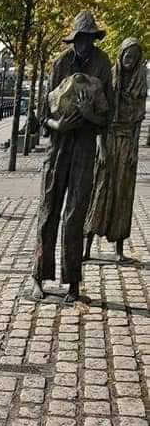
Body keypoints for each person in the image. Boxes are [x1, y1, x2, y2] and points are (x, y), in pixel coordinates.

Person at [32, 11, 112, 304]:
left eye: (88, 38)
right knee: (49, 210)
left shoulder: (103, 64)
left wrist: (90, 115)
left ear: (94, 38)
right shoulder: (59, 63)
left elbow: (107, 117)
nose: (83, 44)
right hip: (59, 145)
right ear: (74, 39)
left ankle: (73, 282)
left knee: (75, 213)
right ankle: (38, 276)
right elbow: (43, 116)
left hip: (85, 146)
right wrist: (58, 125)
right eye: (79, 39)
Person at [84, 38, 147, 262]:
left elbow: (139, 120)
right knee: (99, 189)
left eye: (134, 56)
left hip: (127, 141)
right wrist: (101, 146)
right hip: (108, 139)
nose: (129, 60)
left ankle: (119, 249)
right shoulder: (110, 78)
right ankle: (87, 246)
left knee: (123, 194)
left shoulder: (141, 81)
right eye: (126, 55)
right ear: (120, 55)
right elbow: (101, 117)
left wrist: (134, 150)